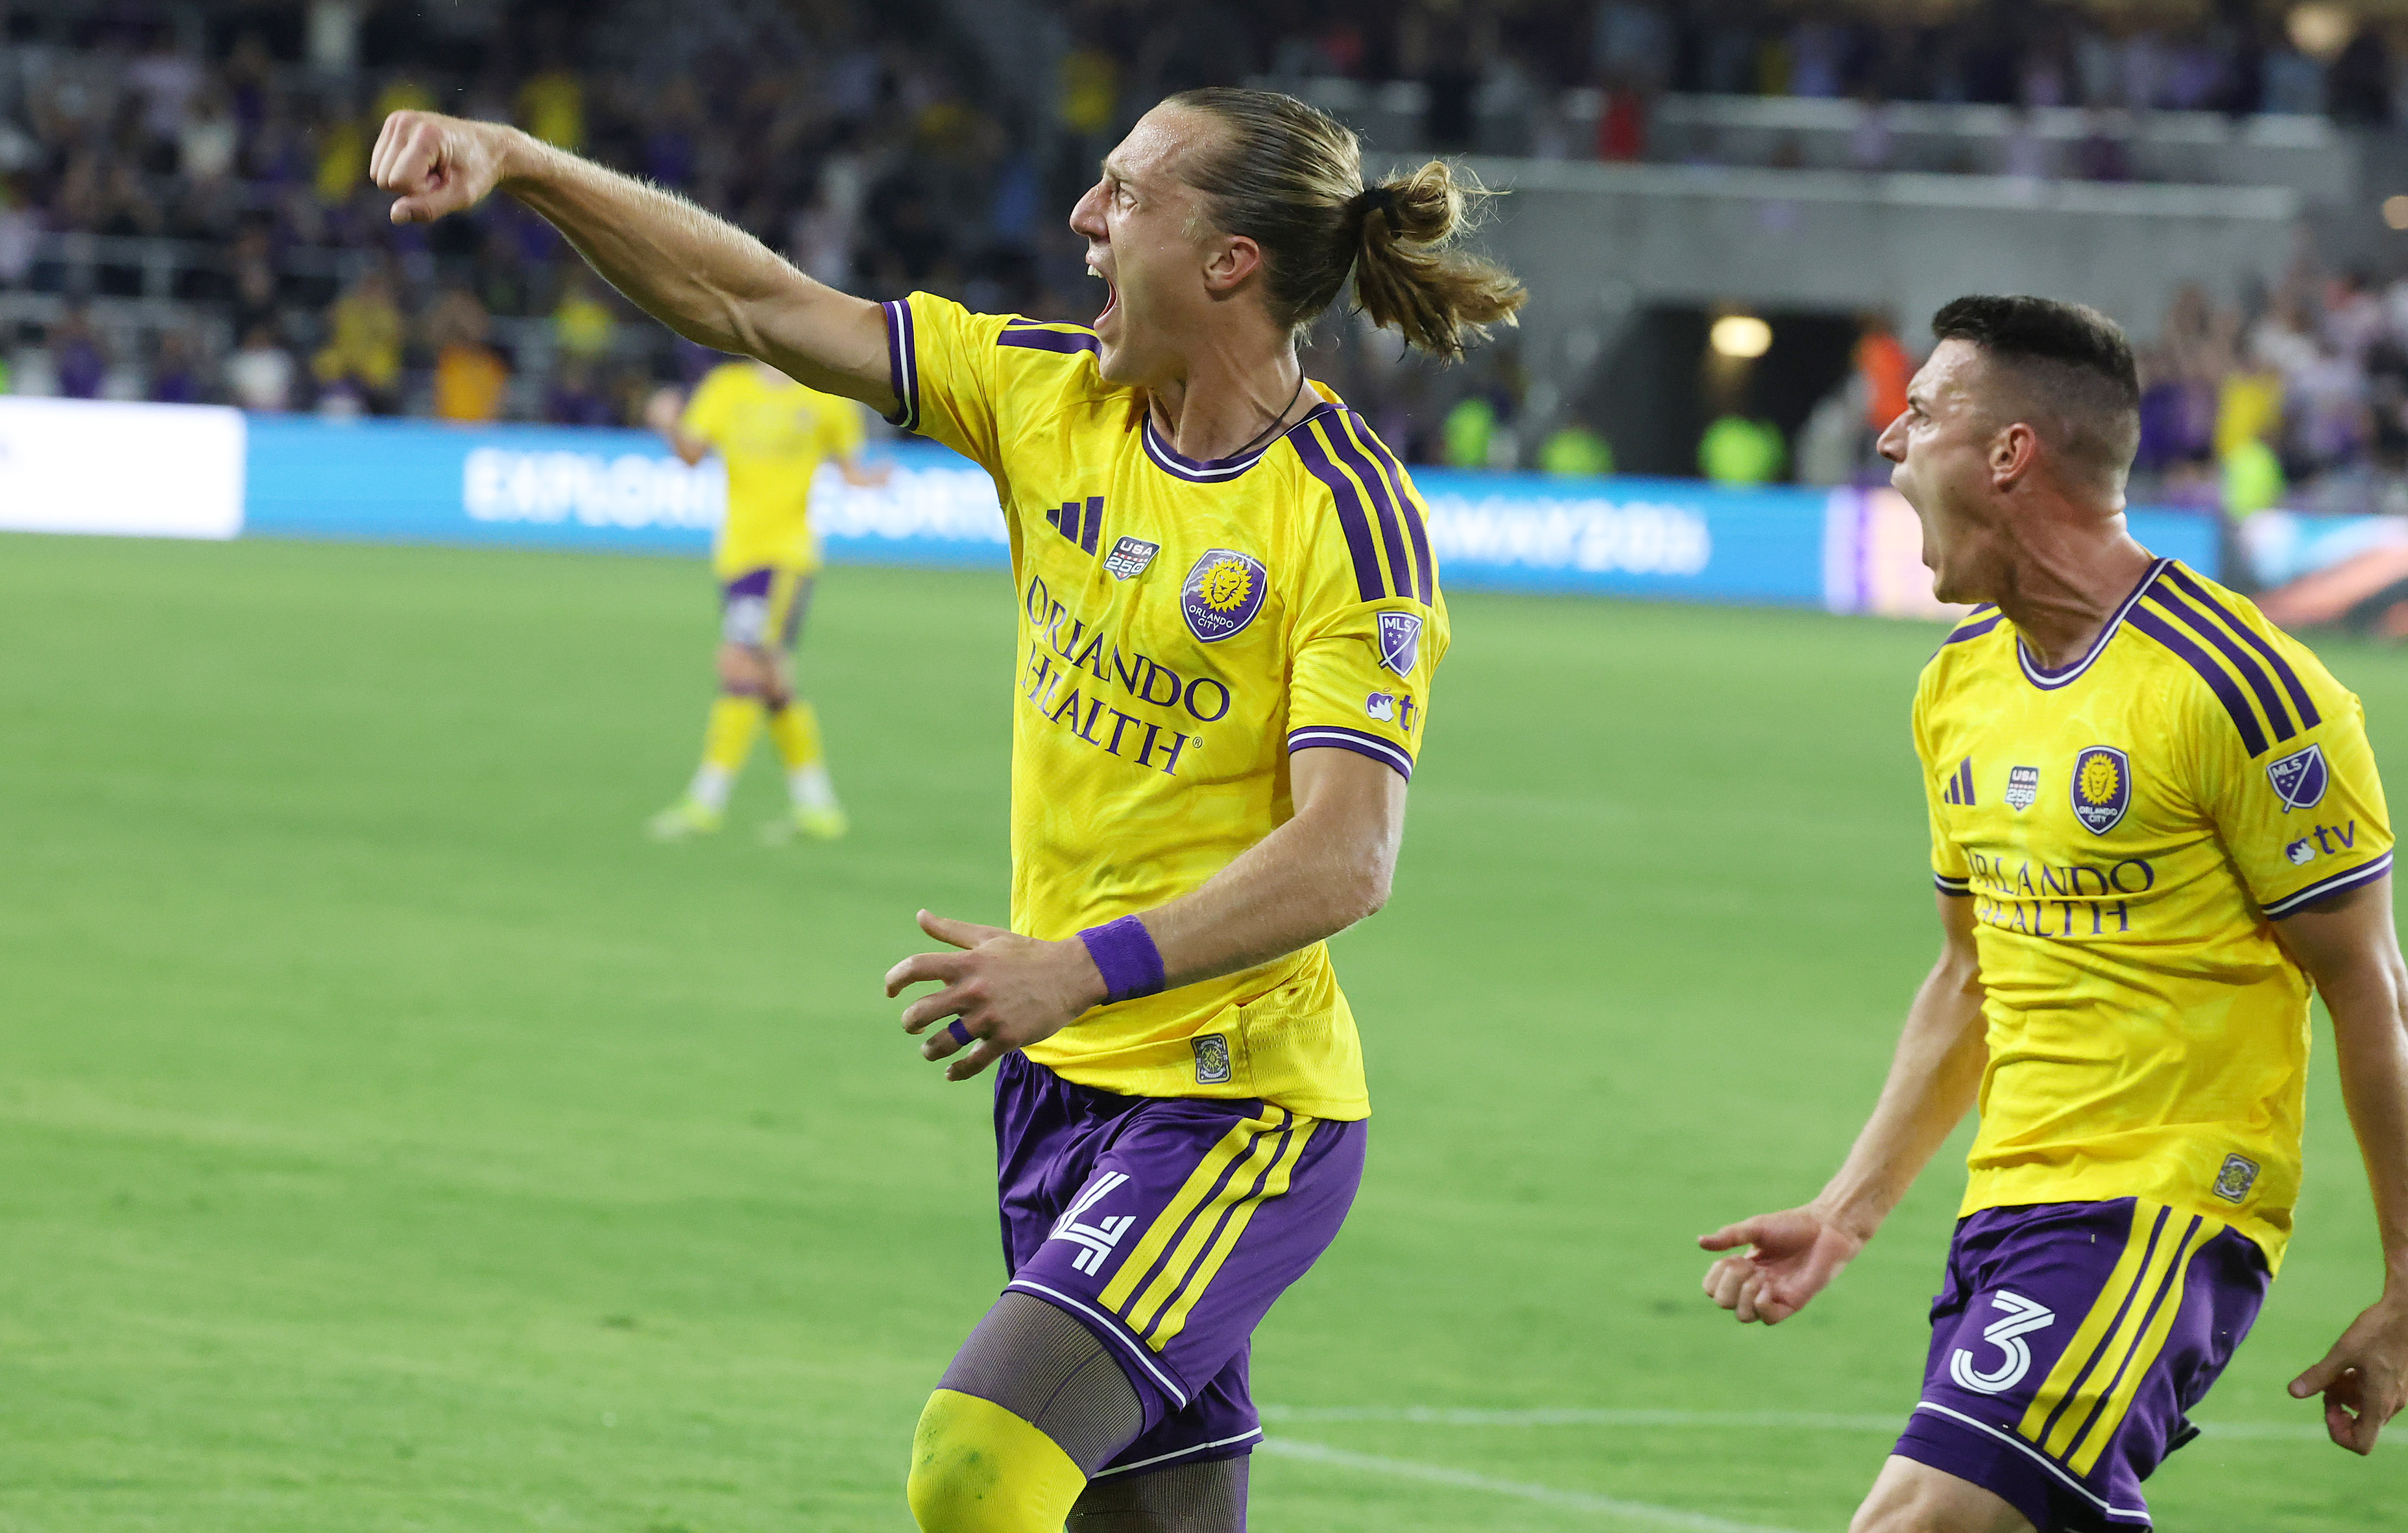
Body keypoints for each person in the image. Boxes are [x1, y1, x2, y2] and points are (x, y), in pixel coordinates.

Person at [372, 82, 1520, 1532]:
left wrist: (1074, 965)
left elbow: (1346, 853)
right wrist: (524, 164)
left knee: (973, 1466)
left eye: (1124, 192)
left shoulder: (1342, 514)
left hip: (1235, 1108)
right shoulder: (1050, 395)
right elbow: (749, 303)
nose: (1082, 219)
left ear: (1228, 258)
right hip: (1061, 1095)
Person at [1700, 296, 2408, 1533]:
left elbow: (2368, 991)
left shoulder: (2242, 689)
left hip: (2162, 1209)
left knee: (1913, 1522)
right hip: (2007, 1216)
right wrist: (1844, 1212)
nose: (1886, 440)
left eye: (1919, 413)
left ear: (2010, 454)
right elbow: (1967, 975)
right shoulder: (1956, 684)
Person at [644, 357, 885, 843]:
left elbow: (850, 470)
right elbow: (692, 453)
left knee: (738, 663)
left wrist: (873, 479)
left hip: (784, 558)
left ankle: (705, 801)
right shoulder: (726, 386)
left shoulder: (824, 391)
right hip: (736, 555)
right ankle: (818, 807)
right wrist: (668, 425)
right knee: (772, 681)